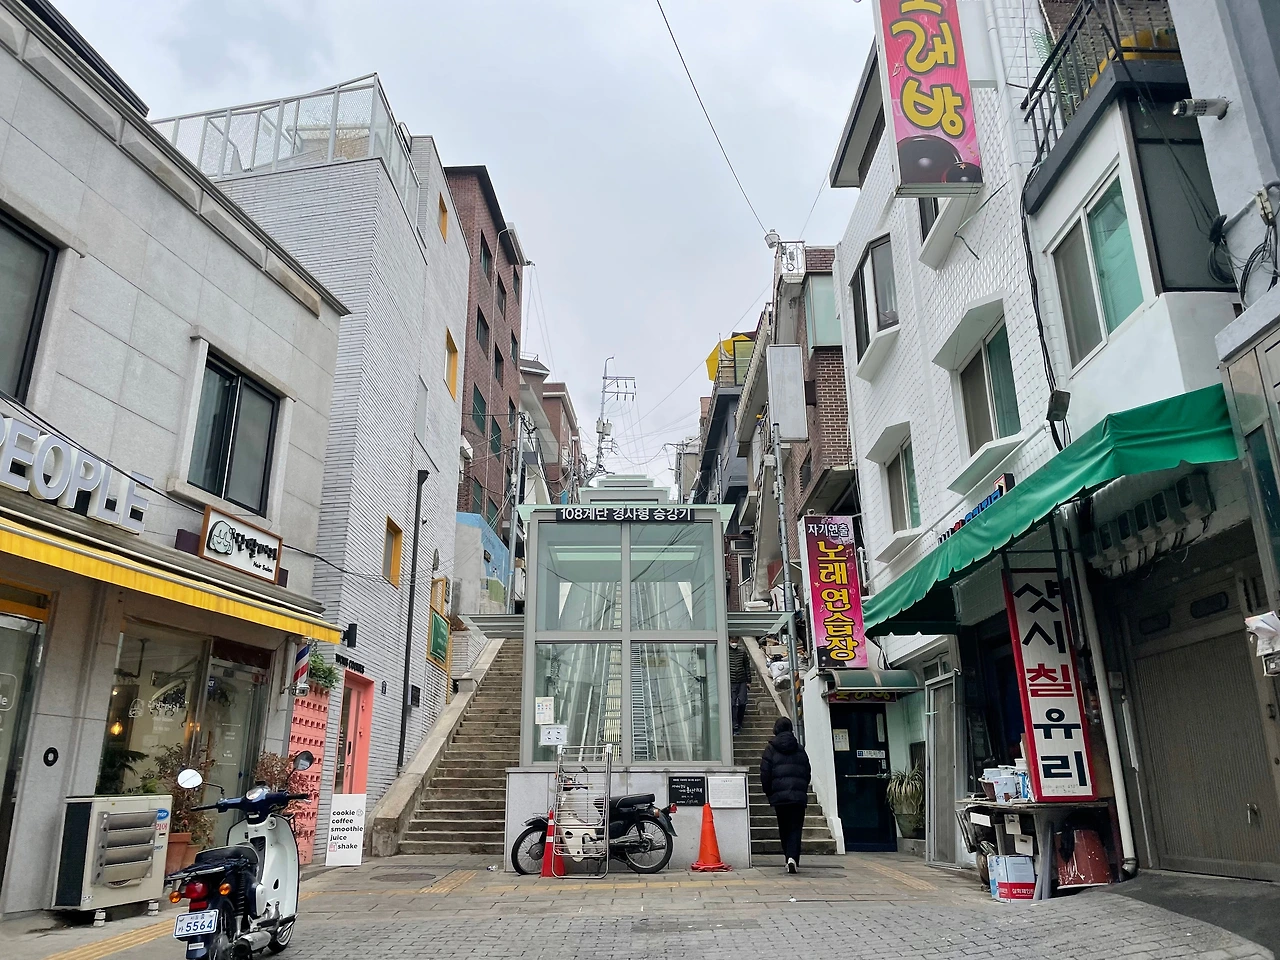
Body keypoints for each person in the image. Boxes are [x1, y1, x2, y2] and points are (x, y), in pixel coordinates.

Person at [759, 716, 811, 874]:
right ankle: (792, 858)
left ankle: (788, 857)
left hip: (780, 797)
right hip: (798, 796)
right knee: (796, 827)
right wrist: (802, 788)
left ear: (776, 729)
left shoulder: (771, 749)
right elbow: (807, 772)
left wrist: (769, 792)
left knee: (784, 827)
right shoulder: (800, 748)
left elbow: (765, 773)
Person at [728, 638, 752, 735]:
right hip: (731, 681)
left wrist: (748, 681)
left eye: (735, 641)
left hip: (742, 680)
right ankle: (735, 725)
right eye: (732, 641)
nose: (734, 643)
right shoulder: (726, 652)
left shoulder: (742, 652)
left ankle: (739, 722)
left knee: (742, 702)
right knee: (732, 704)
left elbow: (747, 666)